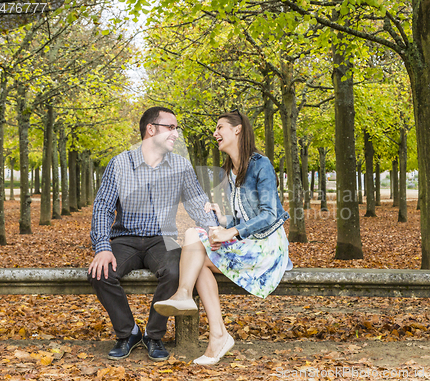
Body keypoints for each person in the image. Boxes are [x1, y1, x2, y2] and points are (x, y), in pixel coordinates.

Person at [154, 110, 291, 365]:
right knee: (195, 243)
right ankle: (215, 332)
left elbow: (270, 215)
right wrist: (224, 220)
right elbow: (243, 218)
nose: (215, 133)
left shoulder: (261, 164)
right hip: (248, 241)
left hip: (267, 247)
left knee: (195, 247)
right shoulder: (230, 170)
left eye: (220, 128)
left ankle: (199, 312)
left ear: (237, 130)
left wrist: (232, 231)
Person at [88, 106, 217, 361]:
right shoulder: (120, 163)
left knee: (176, 271)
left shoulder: (180, 165)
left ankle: (153, 335)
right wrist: (102, 247)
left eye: (176, 128)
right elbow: (102, 208)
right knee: (100, 273)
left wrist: (215, 231)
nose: (176, 134)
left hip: (163, 239)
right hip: (125, 238)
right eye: (171, 127)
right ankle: (128, 333)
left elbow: (198, 203)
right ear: (151, 129)